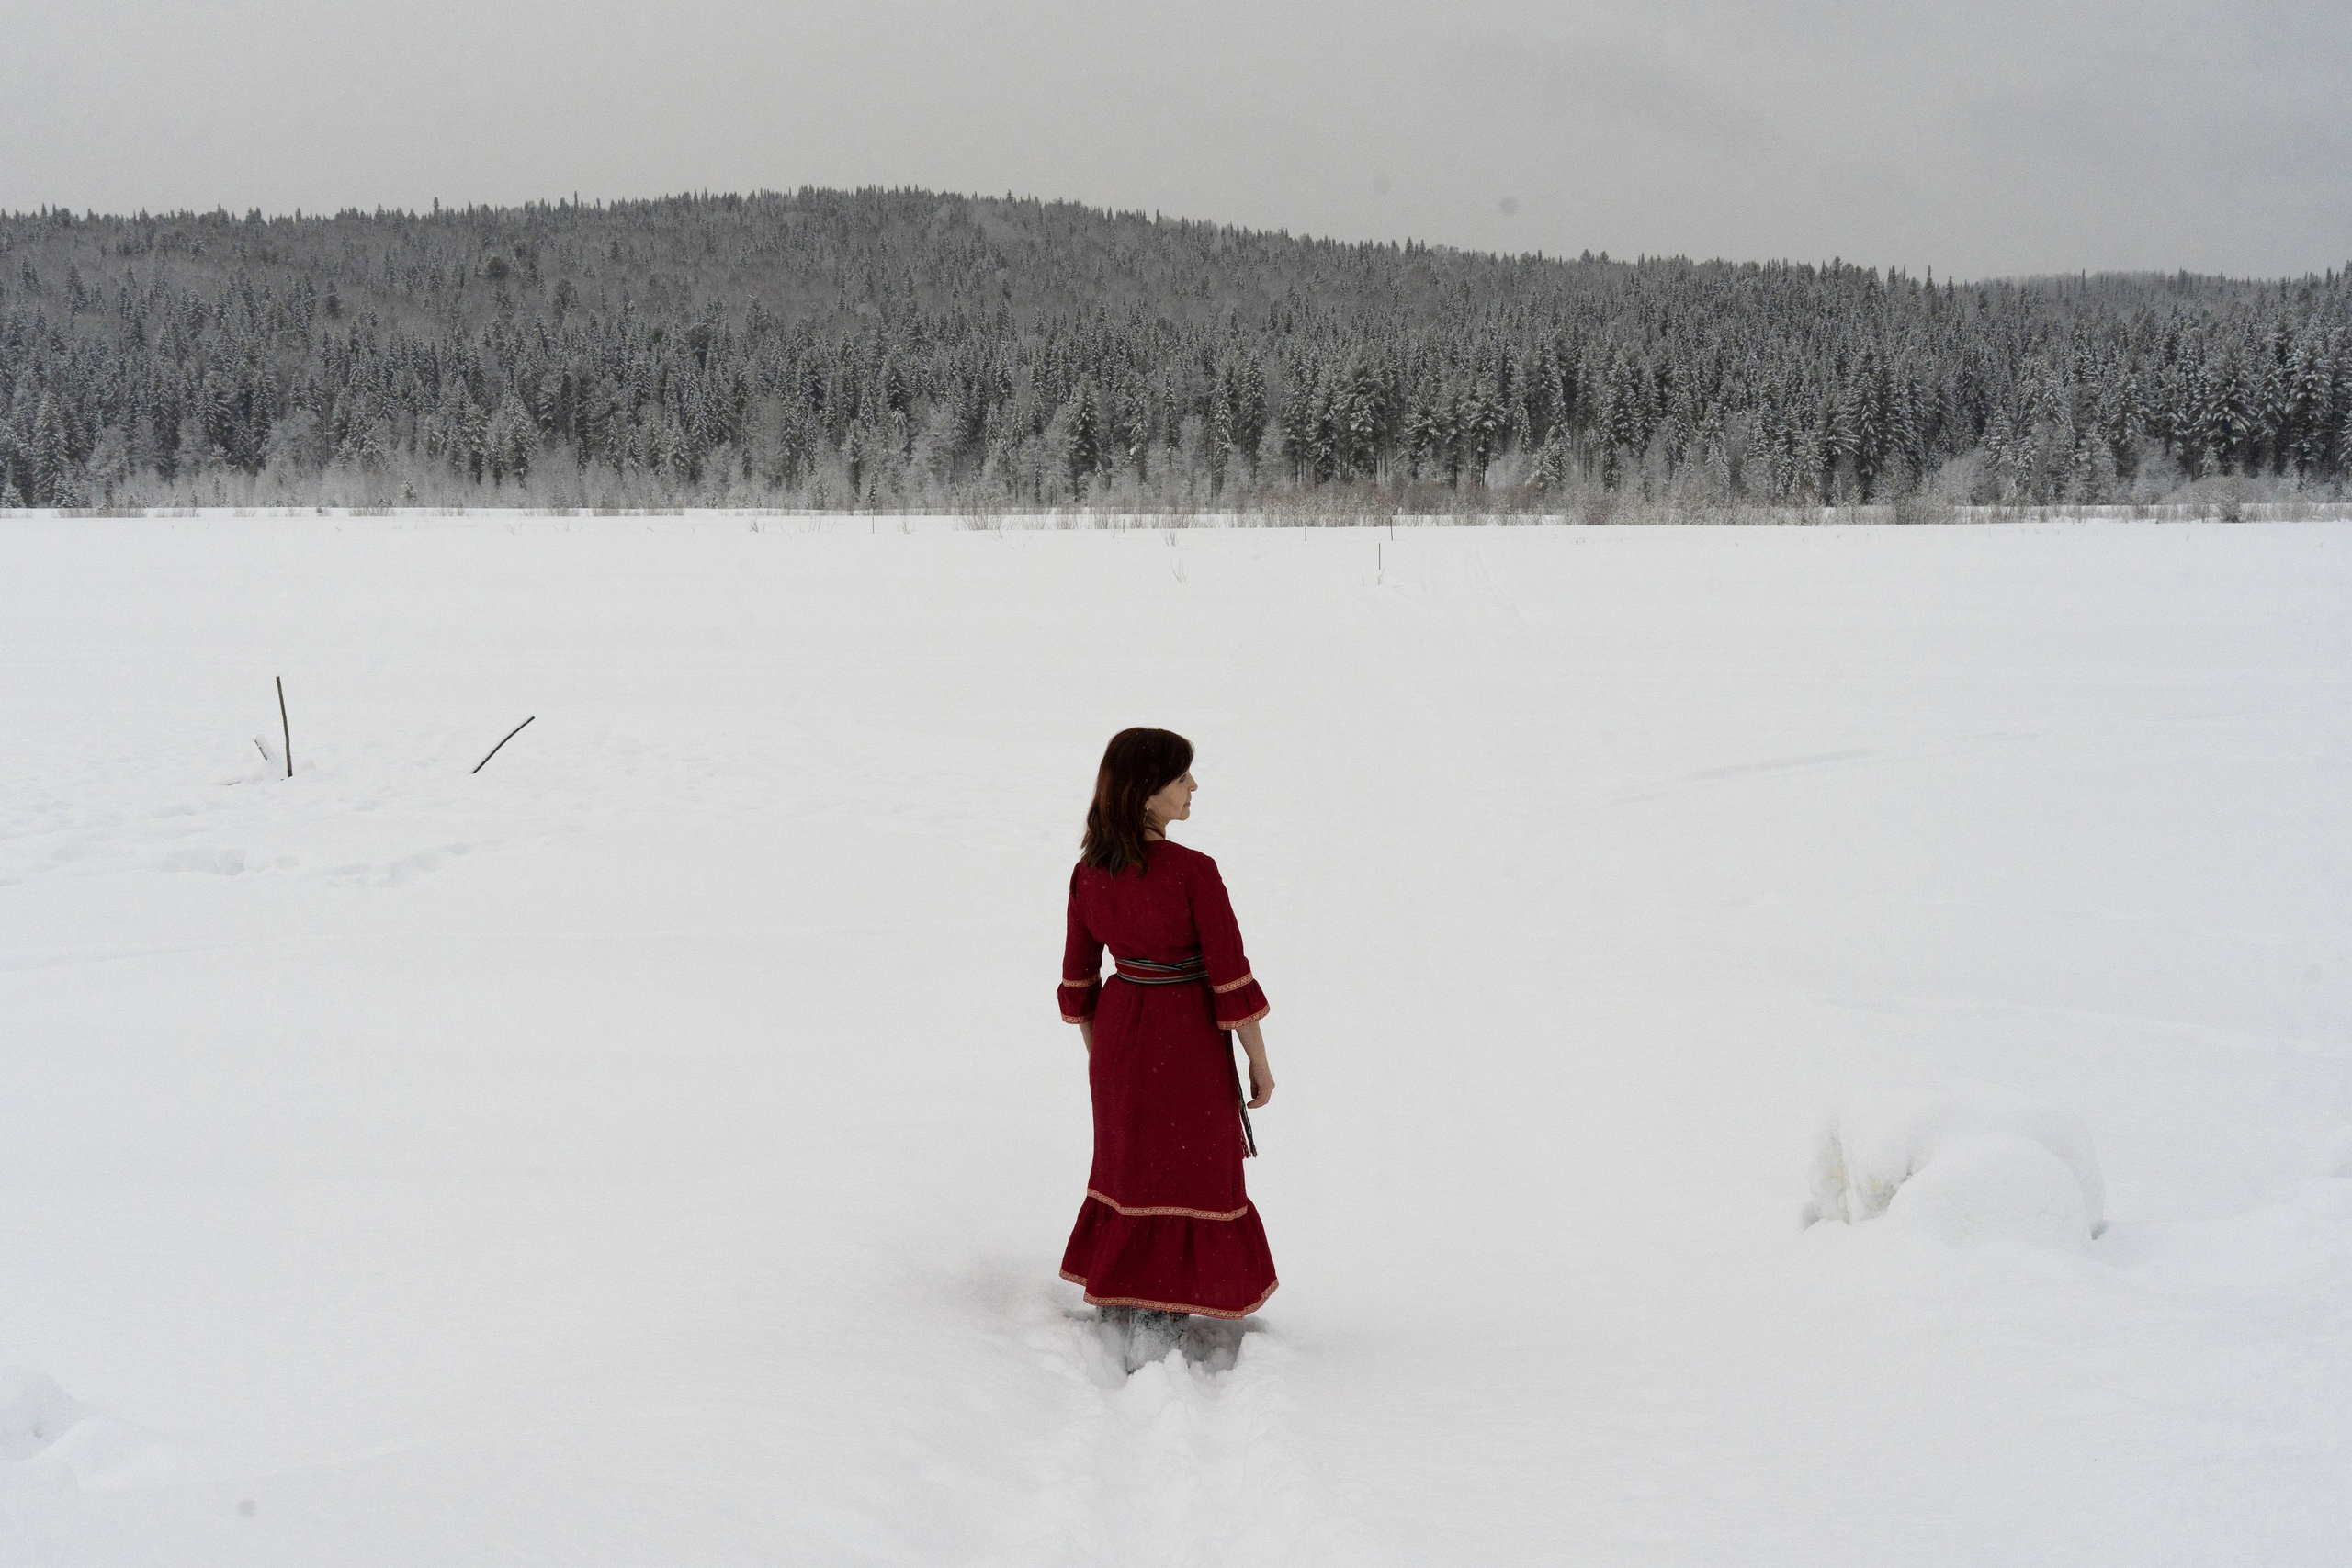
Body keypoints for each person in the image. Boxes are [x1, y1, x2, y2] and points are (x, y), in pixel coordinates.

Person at [1057, 728, 1278, 1371]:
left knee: (1130, 1167)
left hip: (1122, 1031)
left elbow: (1078, 982)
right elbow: (1230, 976)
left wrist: (1107, 1055)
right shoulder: (1194, 872)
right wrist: (1258, 1062)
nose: (1193, 788)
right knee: (1191, 1167)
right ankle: (1162, 1312)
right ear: (1145, 792)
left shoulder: (1088, 872)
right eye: (1181, 778)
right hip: (1184, 1035)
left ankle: (1124, 1294)